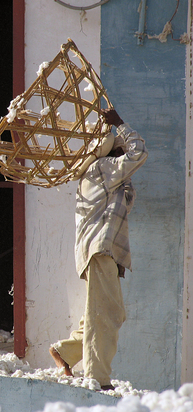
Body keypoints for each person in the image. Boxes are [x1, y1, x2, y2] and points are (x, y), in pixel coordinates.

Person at [49, 108, 147, 390]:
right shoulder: (102, 168)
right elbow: (139, 152)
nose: (121, 154)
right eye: (118, 149)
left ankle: (65, 352)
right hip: (100, 251)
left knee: (107, 311)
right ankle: (98, 378)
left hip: (102, 253)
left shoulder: (105, 175)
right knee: (105, 315)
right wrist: (121, 124)